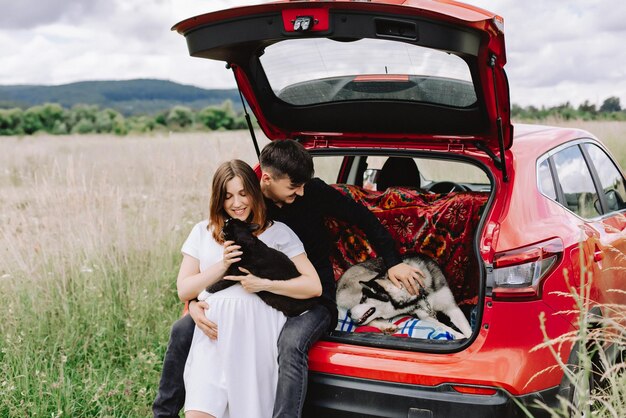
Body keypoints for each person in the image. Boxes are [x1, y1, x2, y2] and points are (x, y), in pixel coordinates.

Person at [153, 143, 423, 418]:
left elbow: (363, 218)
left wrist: (394, 262)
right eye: (294, 186)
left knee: (290, 343)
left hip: (312, 297)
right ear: (267, 180)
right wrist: (195, 300)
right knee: (182, 330)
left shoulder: (311, 194)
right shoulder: (247, 204)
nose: (301, 191)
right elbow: (220, 260)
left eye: (303, 184)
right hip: (258, 295)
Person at [174, 159, 322, 418]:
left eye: (243, 194)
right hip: (212, 340)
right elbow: (184, 290)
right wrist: (222, 266)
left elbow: (313, 286)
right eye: (228, 196)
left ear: (254, 193)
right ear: (218, 198)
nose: (237, 203)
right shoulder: (202, 232)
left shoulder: (280, 234)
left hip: (256, 340)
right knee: (199, 412)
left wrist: (264, 284)